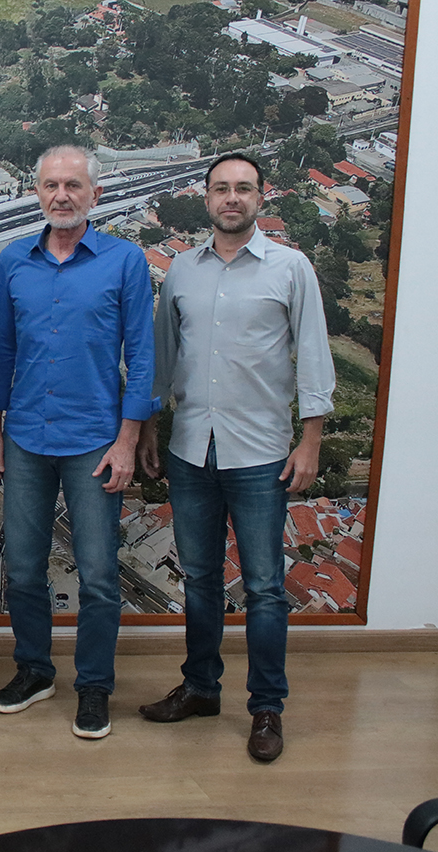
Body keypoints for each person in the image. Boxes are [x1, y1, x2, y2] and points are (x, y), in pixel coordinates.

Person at [136, 153, 335, 761]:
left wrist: (312, 439)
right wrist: (146, 426)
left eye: (243, 188)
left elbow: (313, 354)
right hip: (192, 446)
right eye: (221, 188)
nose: (232, 198)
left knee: (266, 588)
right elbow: (162, 356)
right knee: (197, 579)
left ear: (261, 197)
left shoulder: (291, 267)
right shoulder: (183, 272)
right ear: (206, 198)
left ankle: (266, 708)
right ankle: (200, 688)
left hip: (261, 453)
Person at [0, 145, 158, 740]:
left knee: (100, 574)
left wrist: (128, 439)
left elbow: (143, 354)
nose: (62, 195)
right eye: (51, 185)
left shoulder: (126, 260)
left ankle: (93, 686)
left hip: (94, 439)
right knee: (25, 570)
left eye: (73, 186)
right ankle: (34, 671)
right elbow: (0, 350)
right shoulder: (14, 261)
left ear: (95, 195)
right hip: (27, 435)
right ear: (37, 193)